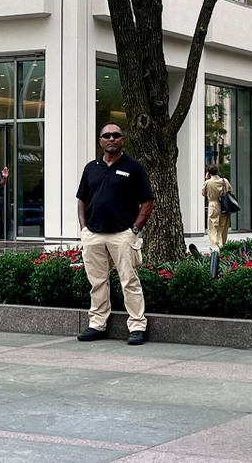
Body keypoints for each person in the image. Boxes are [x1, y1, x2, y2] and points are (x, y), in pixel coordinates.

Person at [76, 122, 155, 346]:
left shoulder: (134, 167)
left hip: (122, 234)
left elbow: (147, 200)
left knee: (129, 280)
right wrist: (83, 228)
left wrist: (135, 229)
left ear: (123, 140)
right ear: (100, 141)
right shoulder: (91, 167)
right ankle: (97, 324)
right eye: (106, 135)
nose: (111, 138)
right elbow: (82, 199)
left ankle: (138, 326)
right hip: (93, 234)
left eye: (116, 135)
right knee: (97, 282)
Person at [202, 164, 232, 247]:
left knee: (213, 225)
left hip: (213, 204)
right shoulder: (224, 181)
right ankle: (222, 242)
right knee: (223, 225)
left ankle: (217, 242)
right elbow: (230, 190)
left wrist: (207, 179)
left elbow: (203, 193)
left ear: (208, 173)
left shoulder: (208, 183)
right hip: (224, 205)